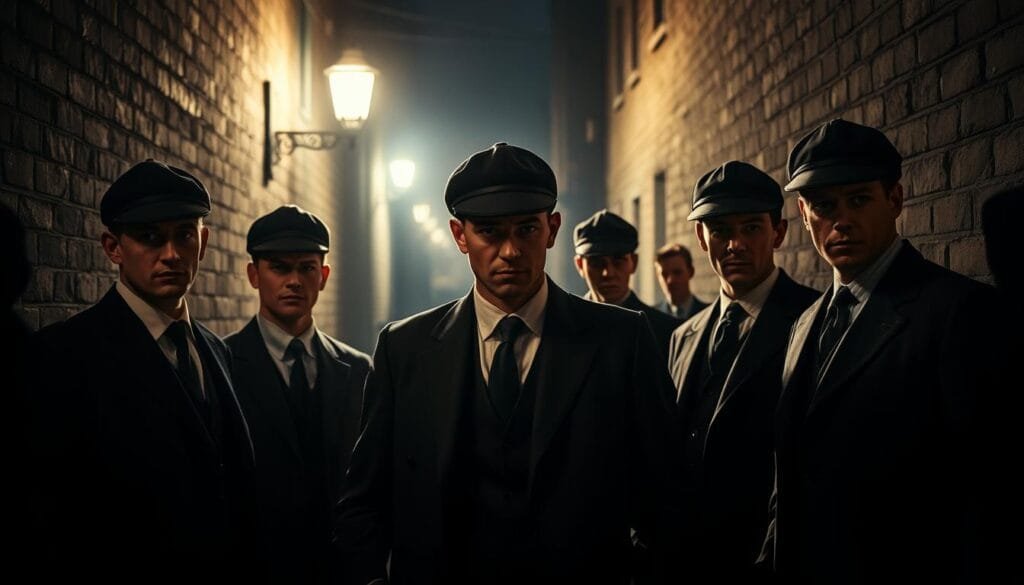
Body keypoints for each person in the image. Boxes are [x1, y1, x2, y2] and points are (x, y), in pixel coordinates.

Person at [333, 142, 681, 585]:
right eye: (490, 232)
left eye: (526, 230)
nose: (511, 251)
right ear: (460, 235)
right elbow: (364, 499)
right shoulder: (406, 349)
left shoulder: (621, 340)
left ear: (552, 229)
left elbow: (667, 495)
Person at [761, 119, 1004, 583]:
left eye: (858, 200)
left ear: (894, 200)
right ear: (803, 212)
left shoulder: (959, 313)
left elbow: (984, 492)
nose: (841, 220)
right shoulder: (804, 324)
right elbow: (789, 473)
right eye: (824, 206)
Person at [29, 159, 257, 581]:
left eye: (184, 235)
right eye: (150, 237)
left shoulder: (215, 351)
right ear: (113, 247)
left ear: (203, 244)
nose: (171, 254)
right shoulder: (64, 355)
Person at [668, 161, 818, 582]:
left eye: (751, 228)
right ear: (701, 238)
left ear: (779, 232)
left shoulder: (812, 319)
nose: (734, 244)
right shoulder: (683, 336)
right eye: (720, 231)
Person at [226, 205, 371, 584]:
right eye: (279, 267)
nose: (294, 281)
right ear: (254, 275)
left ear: (323, 276)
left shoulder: (359, 370)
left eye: (306, 268)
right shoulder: (221, 364)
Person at [573, 209, 681, 354]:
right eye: (597, 263)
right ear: (580, 265)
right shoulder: (563, 327)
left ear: (634, 263)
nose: (608, 273)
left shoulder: (666, 331)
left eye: (618, 262)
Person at [654, 243, 707, 321]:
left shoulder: (708, 315)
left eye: (677, 272)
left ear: (691, 272)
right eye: (664, 274)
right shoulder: (651, 317)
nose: (670, 281)